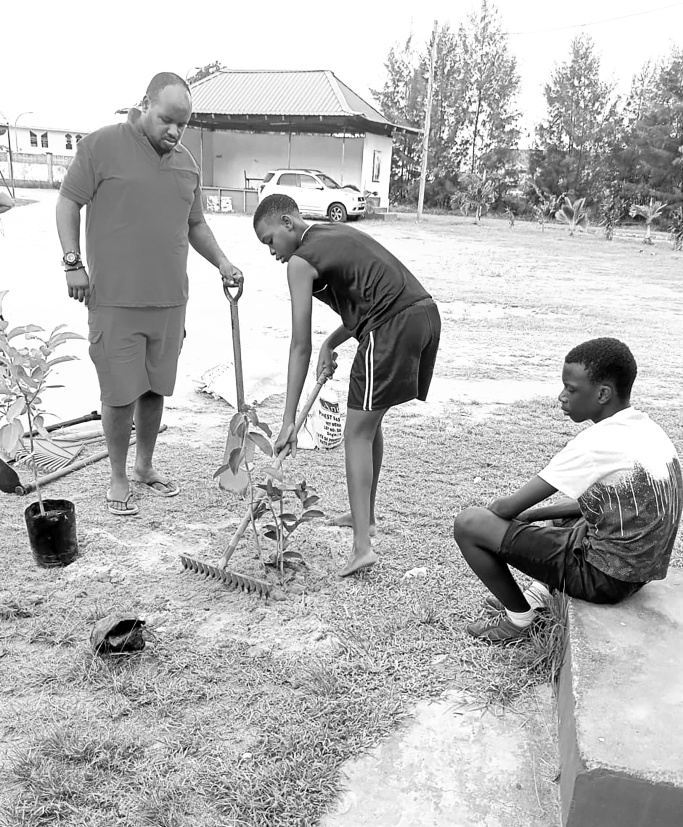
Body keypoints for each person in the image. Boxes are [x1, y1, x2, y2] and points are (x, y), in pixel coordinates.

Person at [56, 72, 243, 516]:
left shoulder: (186, 165)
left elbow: (195, 225)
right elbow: (68, 202)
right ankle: (118, 475)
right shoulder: (101, 146)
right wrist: (72, 262)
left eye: (183, 124)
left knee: (155, 390)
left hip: (169, 302)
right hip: (115, 301)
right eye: (167, 120)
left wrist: (223, 262)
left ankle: (144, 466)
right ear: (144, 104)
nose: (175, 132)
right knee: (119, 393)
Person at [253, 194, 441, 576]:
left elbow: (298, 344)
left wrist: (289, 419)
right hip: (423, 316)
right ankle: (364, 518)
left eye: (269, 240)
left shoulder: (301, 262)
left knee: (356, 434)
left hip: (392, 326)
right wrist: (332, 342)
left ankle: (362, 548)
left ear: (288, 222)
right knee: (369, 425)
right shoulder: (330, 232)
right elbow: (365, 301)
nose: (271, 252)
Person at [454, 337, 683, 643]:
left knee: (469, 524)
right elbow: (607, 504)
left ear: (602, 393)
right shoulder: (646, 429)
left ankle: (520, 621)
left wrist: (502, 517)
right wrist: (535, 516)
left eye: (571, 389)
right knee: (556, 519)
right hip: (637, 572)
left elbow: (505, 509)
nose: (561, 396)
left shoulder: (596, 443)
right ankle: (538, 595)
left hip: (604, 579)